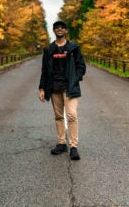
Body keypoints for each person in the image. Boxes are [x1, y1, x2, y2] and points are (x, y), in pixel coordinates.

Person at [38, 20, 86, 160]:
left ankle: (73, 147)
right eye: (56, 28)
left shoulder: (73, 48)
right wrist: (42, 88)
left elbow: (81, 66)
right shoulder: (49, 50)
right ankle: (61, 143)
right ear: (54, 31)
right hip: (54, 88)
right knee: (59, 116)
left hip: (69, 87)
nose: (59, 29)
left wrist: (75, 78)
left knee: (71, 115)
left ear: (65, 31)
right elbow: (44, 71)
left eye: (62, 28)